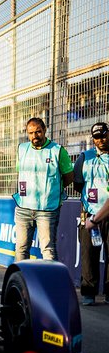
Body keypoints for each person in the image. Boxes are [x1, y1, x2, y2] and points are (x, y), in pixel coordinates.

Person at [13, 117, 74, 261]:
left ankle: (51, 283)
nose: (35, 136)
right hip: (23, 208)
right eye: (31, 133)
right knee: (21, 249)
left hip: (48, 210)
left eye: (38, 132)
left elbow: (69, 177)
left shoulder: (57, 151)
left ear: (45, 130)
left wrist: (52, 189)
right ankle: (22, 281)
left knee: (48, 249)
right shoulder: (21, 149)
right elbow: (21, 172)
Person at [74, 122, 109, 305]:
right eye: (97, 137)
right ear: (92, 139)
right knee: (88, 255)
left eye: (103, 135)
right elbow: (78, 184)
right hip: (89, 213)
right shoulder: (84, 157)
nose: (101, 140)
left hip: (107, 212)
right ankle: (88, 293)